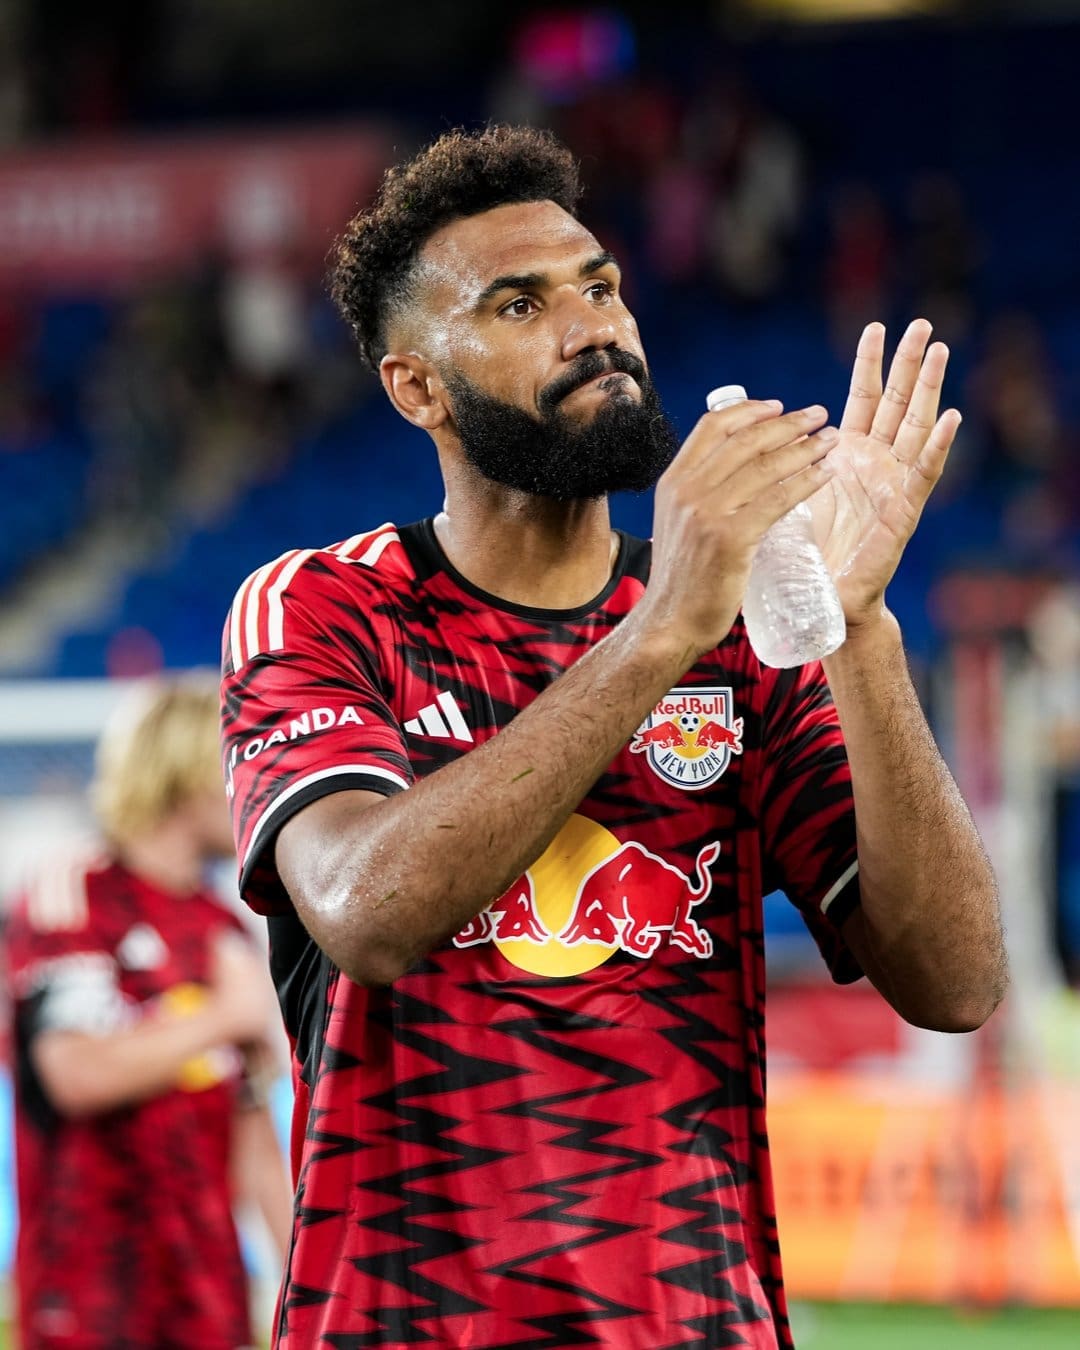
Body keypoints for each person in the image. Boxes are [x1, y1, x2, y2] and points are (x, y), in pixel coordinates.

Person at [220, 125, 1008, 1349]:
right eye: (520, 304)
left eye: (601, 286)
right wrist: (660, 635)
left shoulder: (750, 639)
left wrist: (858, 627)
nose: (593, 325)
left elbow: (955, 984)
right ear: (417, 385)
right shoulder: (328, 606)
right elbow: (365, 911)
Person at [7, 673, 292, 1350]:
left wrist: (298, 1289)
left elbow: (254, 1138)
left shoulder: (224, 923)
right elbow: (73, 1074)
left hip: (208, 1296)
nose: (259, 789)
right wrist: (224, 1017)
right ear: (186, 772)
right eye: (241, 765)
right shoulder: (74, 894)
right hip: (91, 1297)